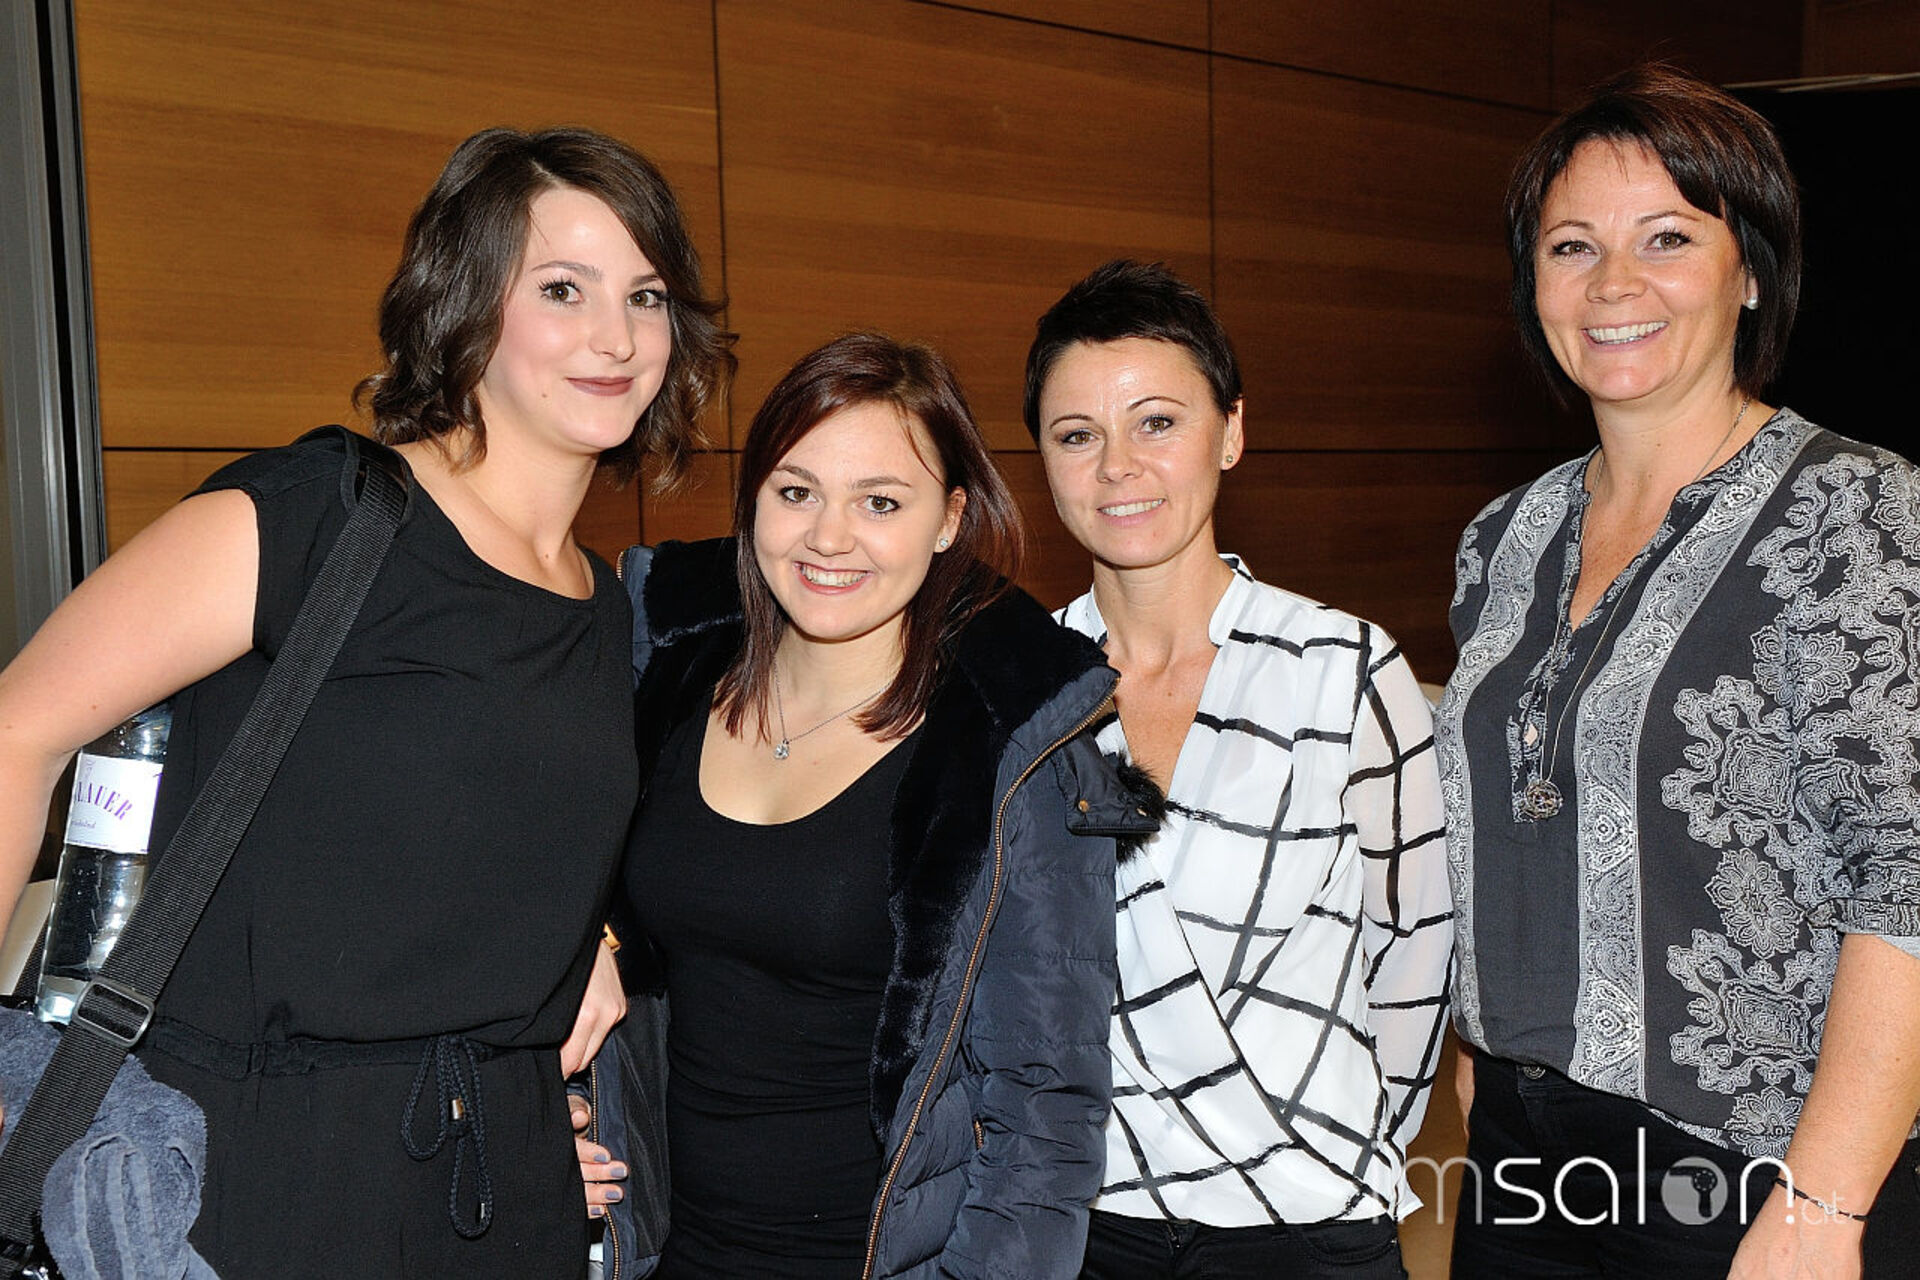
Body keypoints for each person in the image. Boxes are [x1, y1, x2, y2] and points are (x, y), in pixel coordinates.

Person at [0, 125, 732, 1276]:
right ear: (467, 301)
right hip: (251, 1171)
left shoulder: (600, 604)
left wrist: (578, 944)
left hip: (502, 1181)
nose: (617, 335)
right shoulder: (321, 515)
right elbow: (19, 728)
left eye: (646, 296)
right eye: (563, 288)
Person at [1437, 63, 1920, 1279]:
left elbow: (1907, 875)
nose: (1614, 283)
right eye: (1572, 246)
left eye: (1666, 237)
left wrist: (1823, 1202)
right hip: (1522, 1157)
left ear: (1750, 270)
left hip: (1764, 1173)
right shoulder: (1502, 538)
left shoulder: (1858, 514)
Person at [598, 332, 1154, 1279]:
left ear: (949, 519)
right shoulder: (664, 678)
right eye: (796, 491)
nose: (829, 537)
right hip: (664, 1255)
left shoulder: (1009, 750)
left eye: (881, 502)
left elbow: (1044, 1109)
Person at [1022, 259, 1454, 1279]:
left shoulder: (1344, 666)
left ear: (1231, 431)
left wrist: (1319, 1144)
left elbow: (1416, 952)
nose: (1118, 466)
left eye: (1157, 422)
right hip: (1082, 1219)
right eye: (1077, 435)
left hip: (1305, 1218)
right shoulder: (1019, 683)